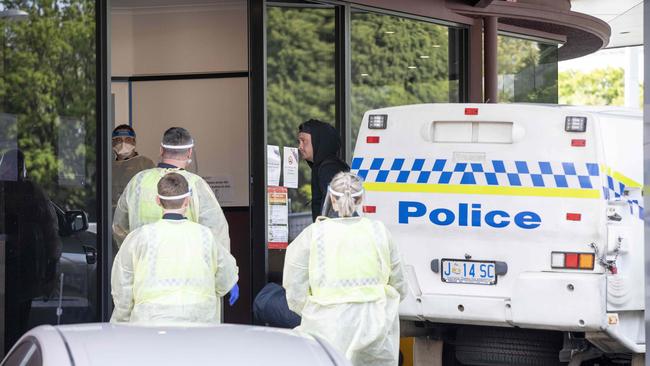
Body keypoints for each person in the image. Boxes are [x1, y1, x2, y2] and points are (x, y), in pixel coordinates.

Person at [283, 172, 408, 366]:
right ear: (361, 199)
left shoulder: (313, 235)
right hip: (374, 328)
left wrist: (311, 310)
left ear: (331, 198)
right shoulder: (379, 232)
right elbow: (399, 284)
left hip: (326, 327)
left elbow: (294, 285)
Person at [111, 172, 238, 324]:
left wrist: (122, 320)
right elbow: (225, 278)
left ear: (158, 200)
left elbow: (123, 286)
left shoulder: (139, 238)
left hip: (150, 321)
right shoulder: (206, 236)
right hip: (199, 320)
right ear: (187, 201)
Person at [0, 149, 61, 352]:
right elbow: (50, 229)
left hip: (23, 266)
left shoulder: (32, 192)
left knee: (17, 321)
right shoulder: (30, 192)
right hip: (17, 265)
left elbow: (49, 231)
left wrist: (50, 268)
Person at [298, 119, 349, 221]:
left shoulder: (329, 168)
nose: (300, 147)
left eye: (304, 141)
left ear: (318, 141)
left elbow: (335, 210)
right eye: (299, 141)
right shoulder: (322, 167)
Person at [111, 124, 155, 214]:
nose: (123, 143)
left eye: (127, 140)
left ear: (134, 142)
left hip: (138, 215)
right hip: (112, 216)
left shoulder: (146, 164)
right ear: (112, 143)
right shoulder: (108, 167)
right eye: (118, 140)